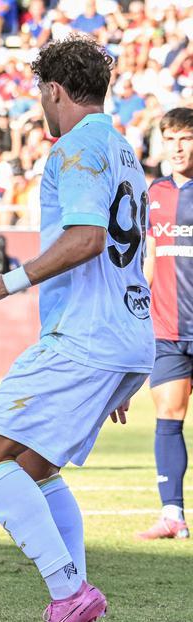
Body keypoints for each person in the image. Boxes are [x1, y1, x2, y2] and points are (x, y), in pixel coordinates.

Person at [0, 36, 154, 622]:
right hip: (121, 336)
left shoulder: (76, 146)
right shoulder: (122, 148)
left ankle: (70, 595)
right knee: (36, 469)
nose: (40, 102)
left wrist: (5, 282)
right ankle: (79, 620)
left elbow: (88, 238)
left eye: (41, 91)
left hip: (87, 337)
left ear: (55, 90)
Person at [138, 106, 193, 540]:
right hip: (167, 331)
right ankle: (173, 515)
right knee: (168, 416)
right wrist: (137, 311)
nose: (177, 148)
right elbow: (150, 259)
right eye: (170, 139)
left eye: (186, 139)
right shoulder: (154, 193)